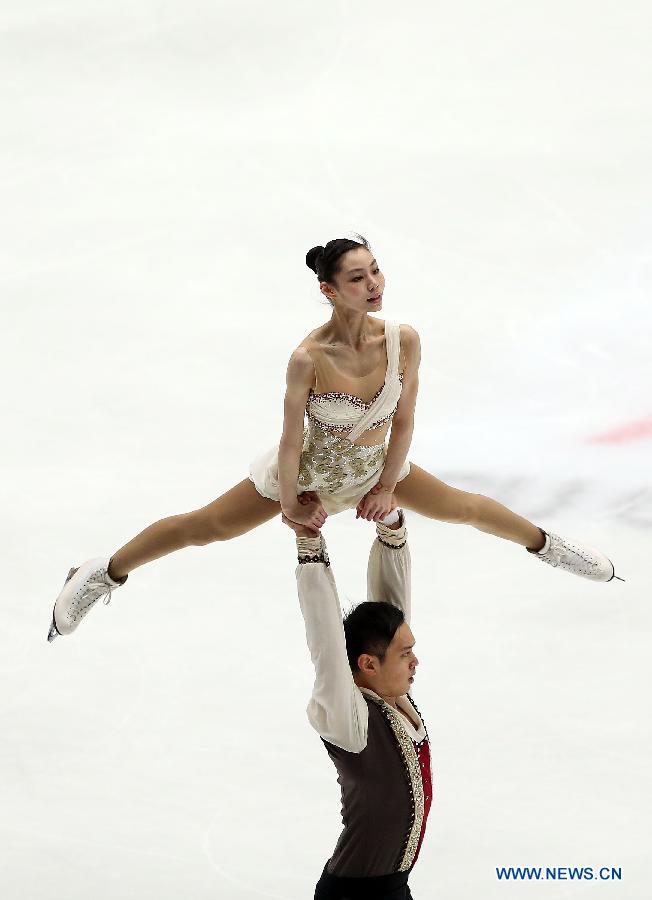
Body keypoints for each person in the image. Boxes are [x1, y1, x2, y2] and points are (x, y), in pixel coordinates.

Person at [47, 233, 622, 642]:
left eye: (375, 271)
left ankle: (548, 546)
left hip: (376, 468)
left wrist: (388, 485)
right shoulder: (308, 358)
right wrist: (296, 502)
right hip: (308, 477)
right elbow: (291, 441)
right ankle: (101, 572)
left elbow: (404, 420)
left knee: (465, 507)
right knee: (206, 528)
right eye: (357, 277)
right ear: (329, 289)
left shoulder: (404, 339)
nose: (373, 284)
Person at [286, 505, 428, 899]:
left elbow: (392, 605)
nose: (416, 661)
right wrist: (309, 544)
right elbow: (326, 641)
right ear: (367, 664)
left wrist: (390, 527)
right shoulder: (350, 720)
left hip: (393, 888)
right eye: (405, 654)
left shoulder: (394, 696)